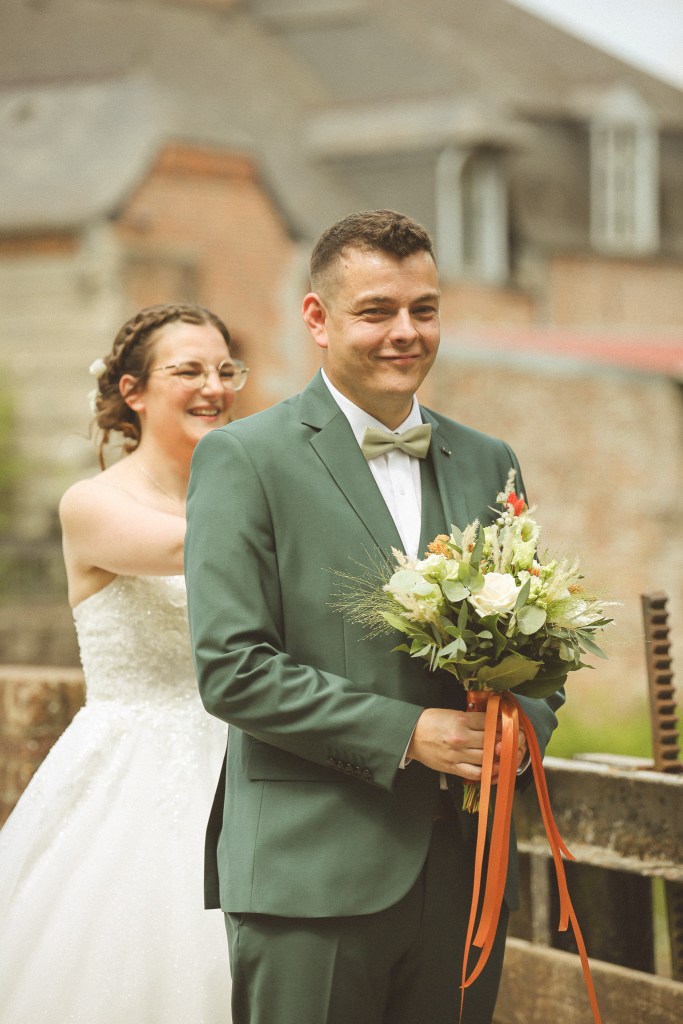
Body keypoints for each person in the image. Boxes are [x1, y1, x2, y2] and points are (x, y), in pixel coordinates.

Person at [185, 211, 565, 1024]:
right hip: (309, 873)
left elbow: (542, 648)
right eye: (376, 311)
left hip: (465, 874)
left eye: (423, 310)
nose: (405, 332)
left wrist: (520, 728)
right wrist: (407, 733)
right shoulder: (243, 457)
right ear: (317, 319)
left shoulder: (489, 459)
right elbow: (231, 668)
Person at [0, 303, 248, 1024]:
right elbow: (193, 549)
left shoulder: (240, 495)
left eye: (224, 370)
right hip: (134, 773)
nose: (213, 387)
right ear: (134, 391)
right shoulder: (91, 504)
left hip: (249, 760)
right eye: (188, 371)